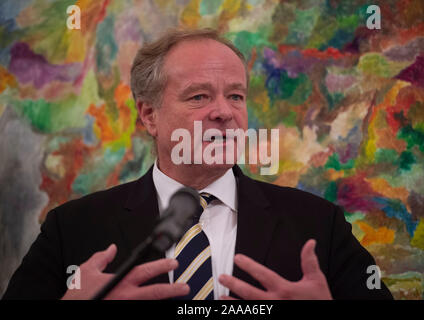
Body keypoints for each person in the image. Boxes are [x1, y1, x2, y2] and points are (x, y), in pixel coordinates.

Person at [2, 28, 393, 300]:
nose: (224, 112)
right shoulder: (72, 228)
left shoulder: (318, 225)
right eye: (199, 97)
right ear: (150, 115)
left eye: (236, 96)